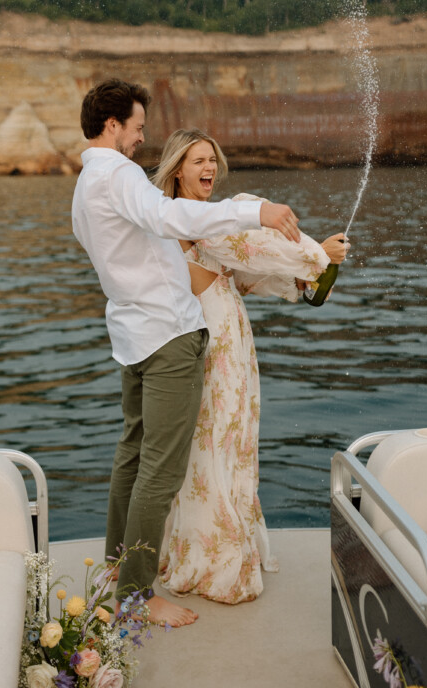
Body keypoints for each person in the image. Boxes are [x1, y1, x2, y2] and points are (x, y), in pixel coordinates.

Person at [71, 79, 303, 628]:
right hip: (168, 336)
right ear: (112, 126)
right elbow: (172, 219)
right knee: (161, 467)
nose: (140, 137)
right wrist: (256, 212)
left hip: (131, 334)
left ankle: (113, 567)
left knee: (132, 451)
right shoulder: (119, 175)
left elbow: (122, 248)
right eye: (137, 127)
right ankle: (135, 596)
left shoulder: (85, 185)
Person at [153, 128, 348, 604]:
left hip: (230, 339)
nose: (209, 168)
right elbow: (250, 248)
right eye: (199, 160)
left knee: (225, 442)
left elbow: (241, 274)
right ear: (178, 168)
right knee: (221, 440)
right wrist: (317, 255)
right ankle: (217, 560)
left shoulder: (198, 220)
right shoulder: (195, 218)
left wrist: (304, 280)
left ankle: (206, 547)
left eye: (213, 160)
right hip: (217, 347)